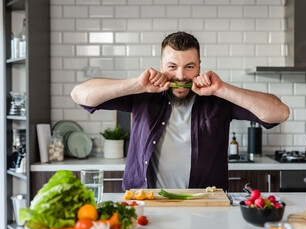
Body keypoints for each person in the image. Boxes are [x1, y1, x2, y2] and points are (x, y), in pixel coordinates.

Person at [71, 31, 289, 191]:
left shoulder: (218, 99)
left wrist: (223, 89)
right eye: (172, 66)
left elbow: (279, 113)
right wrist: (137, 84)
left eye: (189, 67)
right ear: (161, 65)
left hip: (205, 207)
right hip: (146, 203)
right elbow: (80, 94)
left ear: (200, 66)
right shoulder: (143, 95)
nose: (181, 76)